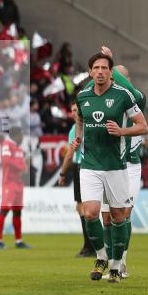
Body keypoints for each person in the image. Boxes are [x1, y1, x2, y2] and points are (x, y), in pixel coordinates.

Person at [72, 52, 148, 283]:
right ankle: (101, 256)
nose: (100, 72)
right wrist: (78, 138)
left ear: (111, 72)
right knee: (91, 212)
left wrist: (122, 131)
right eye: (96, 68)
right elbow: (80, 120)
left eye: (105, 68)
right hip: (90, 165)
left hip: (116, 165)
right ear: (90, 72)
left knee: (117, 217)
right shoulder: (82, 96)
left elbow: (142, 125)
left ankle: (117, 264)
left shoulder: (123, 96)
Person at [59, 100, 92, 257]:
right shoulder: (90, 126)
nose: (73, 113)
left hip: (80, 167)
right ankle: (92, 245)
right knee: (89, 208)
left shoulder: (75, 130)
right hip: (92, 167)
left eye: (75, 110)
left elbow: (70, 154)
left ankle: (89, 246)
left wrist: (62, 173)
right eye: (71, 110)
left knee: (82, 208)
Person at [0, 127, 30, 249]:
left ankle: (18, 241)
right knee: (4, 210)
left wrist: (25, 169)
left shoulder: (19, 149)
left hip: (19, 184)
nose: (22, 138)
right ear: (15, 135)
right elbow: (6, 160)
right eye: (20, 135)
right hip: (9, 184)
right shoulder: (7, 145)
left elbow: (23, 164)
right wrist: (21, 168)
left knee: (17, 212)